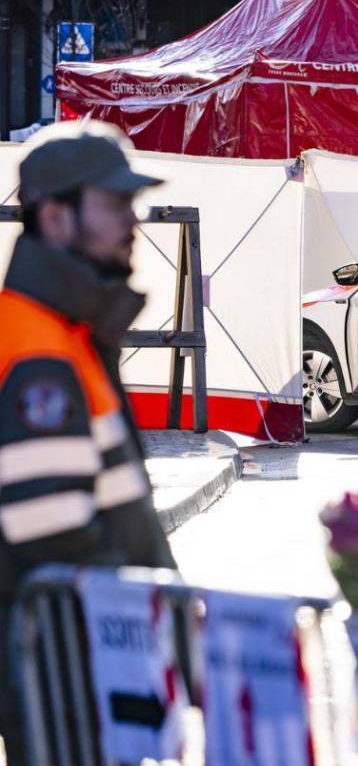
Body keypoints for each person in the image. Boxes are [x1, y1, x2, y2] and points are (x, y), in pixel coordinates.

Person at [0, 122, 176, 762]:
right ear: (55, 217)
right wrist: (154, 620)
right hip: (69, 665)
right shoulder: (37, 349)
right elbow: (48, 524)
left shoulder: (60, 331)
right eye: (115, 204)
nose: (134, 221)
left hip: (81, 659)